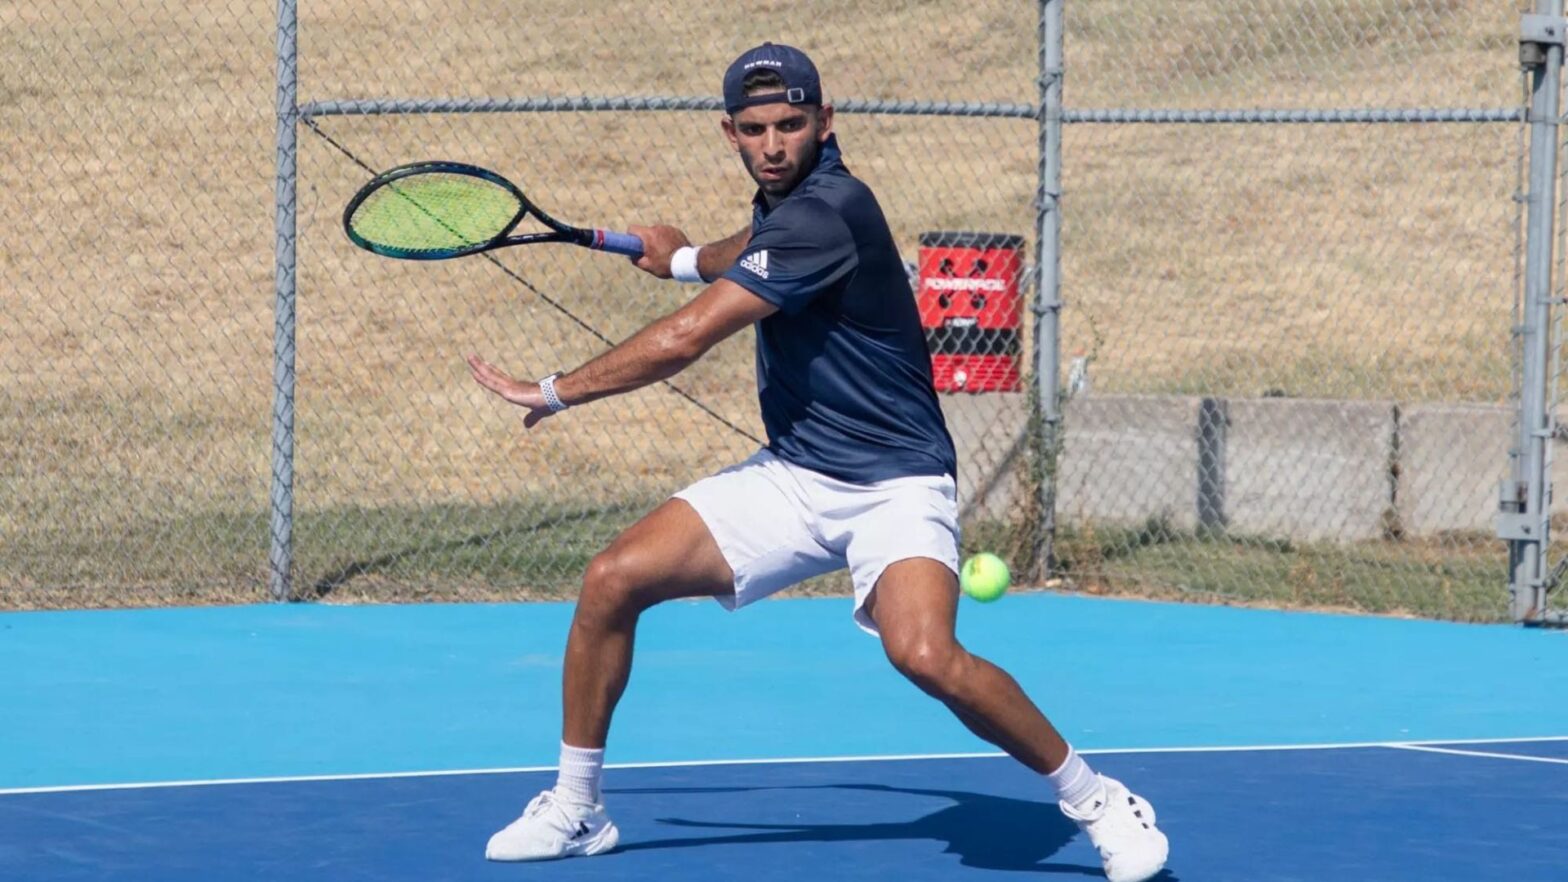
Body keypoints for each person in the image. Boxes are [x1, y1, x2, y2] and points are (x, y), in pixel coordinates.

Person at [467, 42, 1169, 882]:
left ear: (825, 122)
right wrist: (685, 257)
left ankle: (1099, 802)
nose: (773, 144)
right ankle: (577, 809)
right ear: (730, 131)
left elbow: (688, 338)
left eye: (791, 126)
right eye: (756, 129)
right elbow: (756, 240)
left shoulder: (831, 210)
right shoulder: (787, 203)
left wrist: (555, 390)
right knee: (613, 578)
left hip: (897, 486)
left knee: (924, 654)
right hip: (796, 475)